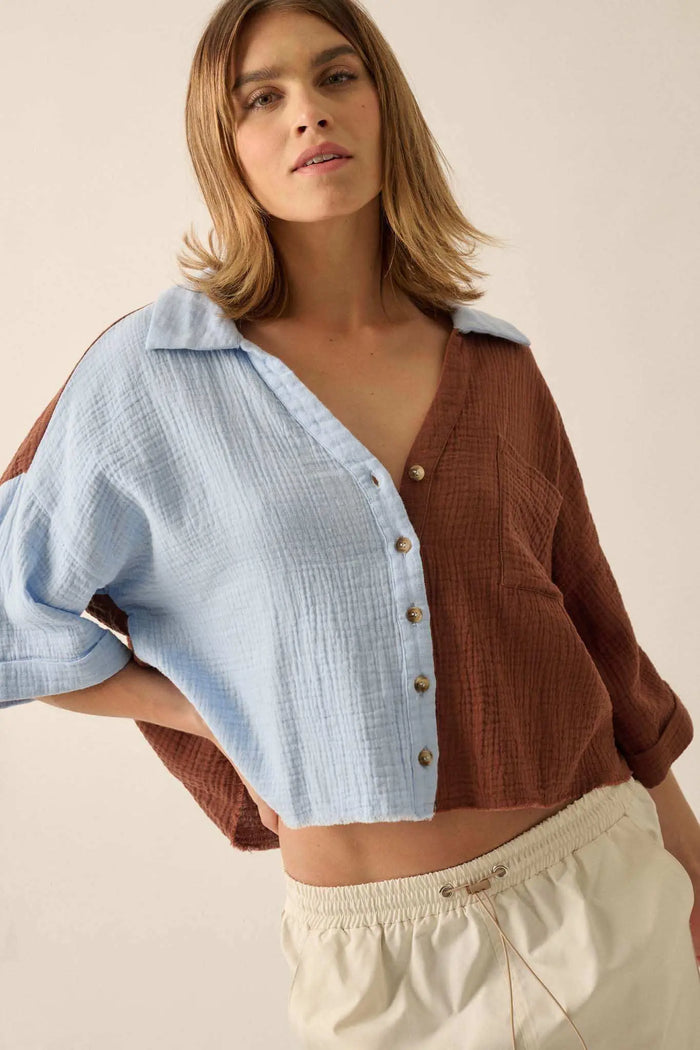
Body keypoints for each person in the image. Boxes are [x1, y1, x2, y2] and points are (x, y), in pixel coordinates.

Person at [1, 1, 699, 1047]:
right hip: (374, 966)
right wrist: (217, 716)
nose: (308, 114)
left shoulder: (496, 366)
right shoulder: (153, 376)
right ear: (223, 143)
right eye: (262, 97)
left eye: (337, 77)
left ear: (383, 106)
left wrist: (685, 849)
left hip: (602, 899)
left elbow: (593, 620)